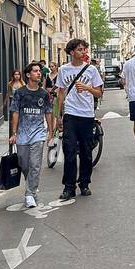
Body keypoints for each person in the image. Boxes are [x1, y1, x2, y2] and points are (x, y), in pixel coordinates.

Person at [55, 38, 104, 200]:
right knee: (69, 151)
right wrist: (59, 115)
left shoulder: (91, 70)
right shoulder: (63, 70)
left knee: (86, 151)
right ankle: (69, 187)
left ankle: (84, 183)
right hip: (70, 114)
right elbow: (61, 92)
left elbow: (98, 93)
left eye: (84, 50)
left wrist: (87, 88)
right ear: (71, 52)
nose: (84, 52)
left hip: (86, 115)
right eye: (80, 50)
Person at [9, 61, 54, 209]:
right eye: (35, 71)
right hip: (22, 134)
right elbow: (15, 113)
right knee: (24, 164)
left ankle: (29, 193)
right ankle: (32, 187)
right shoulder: (20, 93)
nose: (38, 73)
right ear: (28, 75)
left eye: (39, 71)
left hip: (38, 134)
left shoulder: (43, 94)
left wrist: (50, 133)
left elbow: (48, 112)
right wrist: (14, 133)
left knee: (35, 165)